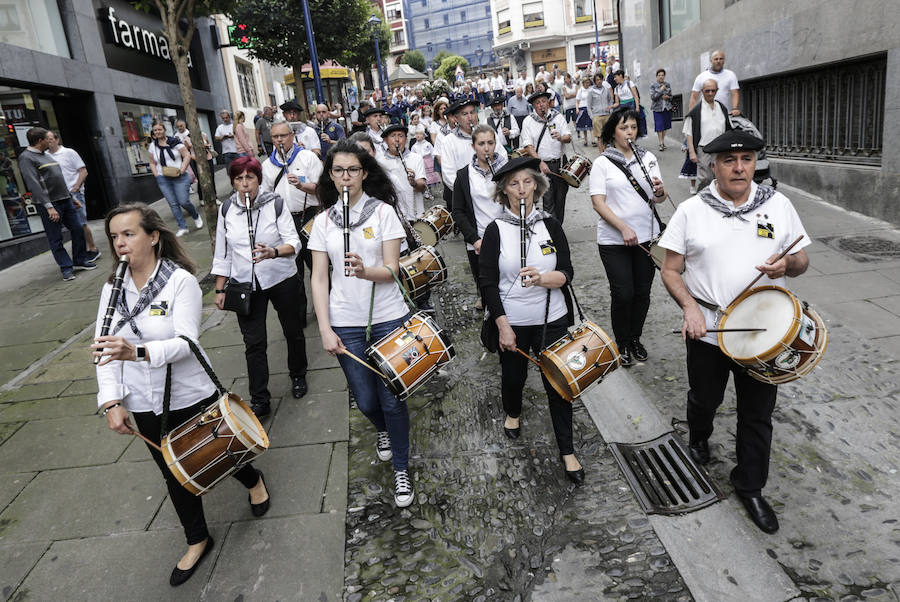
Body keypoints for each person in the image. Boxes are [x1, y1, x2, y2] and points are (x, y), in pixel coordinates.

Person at [92, 203, 270, 587]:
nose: (120, 243)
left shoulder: (179, 281)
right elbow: (104, 349)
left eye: (128, 234)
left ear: (153, 236)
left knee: (219, 453)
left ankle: (253, 480)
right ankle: (197, 538)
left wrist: (137, 352)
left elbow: (187, 341)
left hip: (190, 393)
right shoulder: (112, 288)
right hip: (143, 401)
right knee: (173, 471)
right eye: (114, 237)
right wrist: (111, 401)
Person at [657, 130, 810, 534]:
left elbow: (802, 260)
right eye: (729, 160)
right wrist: (689, 308)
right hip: (707, 328)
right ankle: (699, 435)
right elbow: (670, 270)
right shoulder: (692, 210)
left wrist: (787, 267)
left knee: (757, 415)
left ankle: (751, 486)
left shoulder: (778, 205)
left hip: (763, 332)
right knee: (705, 397)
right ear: (713, 166)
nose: (740, 167)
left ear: (756, 163)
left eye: (746, 159)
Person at [308, 140, 416, 508]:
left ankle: (401, 466)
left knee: (392, 397)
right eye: (338, 170)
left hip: (388, 317)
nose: (345, 177)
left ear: (364, 173)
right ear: (330, 175)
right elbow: (319, 278)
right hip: (346, 323)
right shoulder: (322, 222)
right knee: (367, 399)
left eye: (352, 170)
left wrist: (366, 271)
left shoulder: (383, 213)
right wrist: (325, 328)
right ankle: (384, 432)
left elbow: (393, 270)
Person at [479, 156, 584, 484]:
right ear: (504, 191)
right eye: (514, 184)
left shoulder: (550, 225)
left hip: (551, 317)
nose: (522, 189)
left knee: (559, 384)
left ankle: (567, 450)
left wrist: (544, 279)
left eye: (527, 182)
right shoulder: (495, 230)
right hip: (513, 321)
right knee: (514, 379)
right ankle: (513, 411)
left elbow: (567, 272)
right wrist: (502, 325)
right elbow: (487, 283)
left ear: (537, 187)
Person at [212, 156, 309, 417]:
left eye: (250, 178)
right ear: (233, 182)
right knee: (254, 342)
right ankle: (259, 398)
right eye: (239, 179)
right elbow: (223, 253)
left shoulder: (274, 204)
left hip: (281, 277)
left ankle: (298, 375)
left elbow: (294, 242)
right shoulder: (226, 210)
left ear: (258, 179)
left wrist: (274, 252)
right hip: (246, 283)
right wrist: (220, 289)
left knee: (292, 330)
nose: (245, 184)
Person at [589, 108, 667, 366]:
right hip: (614, 241)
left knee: (642, 292)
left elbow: (658, 198)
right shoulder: (603, 162)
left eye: (633, 127)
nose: (629, 132)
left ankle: (635, 337)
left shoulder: (649, 158)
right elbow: (598, 203)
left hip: (647, 237)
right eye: (624, 128)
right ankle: (621, 342)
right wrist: (622, 227)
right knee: (623, 293)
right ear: (613, 132)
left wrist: (660, 191)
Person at [19, 127, 96, 280]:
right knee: (55, 238)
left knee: (78, 228)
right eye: (47, 139)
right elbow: (34, 185)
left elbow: (58, 179)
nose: (50, 141)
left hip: (65, 200)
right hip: (50, 204)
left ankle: (79, 260)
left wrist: (71, 198)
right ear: (40, 141)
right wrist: (49, 207)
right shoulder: (26, 158)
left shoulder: (46, 155)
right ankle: (66, 268)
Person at [261, 121, 322, 293]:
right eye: (275, 136)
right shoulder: (267, 165)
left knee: (317, 266)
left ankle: (325, 308)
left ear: (292, 136)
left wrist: (302, 186)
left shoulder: (307, 157)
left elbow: (322, 189)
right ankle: (300, 314)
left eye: (283, 135)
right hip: (283, 222)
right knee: (294, 271)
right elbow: (265, 197)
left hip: (309, 217)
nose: (280, 140)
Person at [452, 124, 507, 306]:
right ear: (474, 146)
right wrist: (474, 239)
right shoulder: (463, 175)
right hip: (479, 240)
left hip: (506, 238)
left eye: (490, 143)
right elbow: (458, 211)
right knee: (486, 287)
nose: (486, 148)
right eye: (481, 143)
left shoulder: (507, 170)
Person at [440, 98, 510, 212]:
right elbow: (449, 174)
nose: (470, 117)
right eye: (465, 114)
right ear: (456, 118)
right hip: (468, 198)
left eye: (472, 112)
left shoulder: (488, 133)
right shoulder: (449, 141)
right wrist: (469, 193)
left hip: (494, 192)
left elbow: (502, 157)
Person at [46, 131, 101, 261]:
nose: (48, 141)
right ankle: (82, 252)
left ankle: (92, 249)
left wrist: (75, 188)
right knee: (74, 225)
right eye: (46, 139)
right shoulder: (45, 156)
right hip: (58, 195)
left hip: (73, 193)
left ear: (57, 140)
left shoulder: (69, 153)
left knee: (81, 223)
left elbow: (83, 171)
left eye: (50, 139)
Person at [520, 90, 571, 224]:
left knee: (560, 198)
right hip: (542, 164)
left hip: (560, 163)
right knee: (548, 200)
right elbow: (528, 145)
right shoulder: (528, 121)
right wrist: (540, 162)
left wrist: (561, 137)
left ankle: (557, 227)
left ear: (548, 102)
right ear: (533, 106)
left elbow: (568, 137)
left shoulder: (558, 117)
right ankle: (551, 231)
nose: (541, 105)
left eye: (544, 101)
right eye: (538, 103)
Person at [147, 122, 203, 238]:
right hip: (163, 178)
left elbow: (187, 155)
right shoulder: (153, 146)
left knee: (184, 201)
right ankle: (182, 227)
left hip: (179, 176)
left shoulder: (175, 142)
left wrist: (183, 169)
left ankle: (196, 216)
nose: (157, 132)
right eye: (155, 130)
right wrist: (157, 175)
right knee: (173, 204)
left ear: (164, 130)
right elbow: (152, 162)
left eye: (159, 130)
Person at [684, 79, 733, 191]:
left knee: (721, 176)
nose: (710, 93)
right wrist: (692, 152)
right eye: (707, 91)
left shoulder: (722, 108)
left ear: (717, 90)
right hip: (704, 149)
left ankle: (719, 200)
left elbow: (728, 128)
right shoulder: (696, 111)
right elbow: (689, 132)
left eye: (713, 90)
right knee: (706, 178)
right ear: (702, 91)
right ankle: (703, 201)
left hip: (721, 149)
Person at [377, 123, 427, 221]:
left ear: (406, 139)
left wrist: (414, 182)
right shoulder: (379, 162)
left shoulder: (416, 158)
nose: (397, 140)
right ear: (386, 140)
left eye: (401, 136)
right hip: (393, 216)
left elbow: (421, 187)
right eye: (392, 136)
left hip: (415, 213)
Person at [689, 50, 741, 115]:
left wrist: (734, 108)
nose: (718, 61)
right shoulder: (701, 77)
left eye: (721, 59)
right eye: (716, 59)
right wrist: (690, 114)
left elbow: (735, 93)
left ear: (724, 60)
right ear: (711, 61)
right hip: (705, 114)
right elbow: (694, 96)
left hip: (723, 114)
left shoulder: (730, 75)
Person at [587, 73, 614, 148]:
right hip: (597, 116)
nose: (599, 81)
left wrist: (610, 110)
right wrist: (592, 117)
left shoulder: (606, 89)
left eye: (600, 79)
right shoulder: (591, 91)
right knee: (599, 137)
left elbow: (610, 100)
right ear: (595, 81)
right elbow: (588, 106)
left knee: (607, 136)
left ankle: (607, 153)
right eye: (597, 80)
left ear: (602, 80)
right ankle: (602, 154)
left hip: (606, 115)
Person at [649, 68, 673, 151]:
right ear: (656, 76)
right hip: (657, 108)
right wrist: (661, 90)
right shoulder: (653, 85)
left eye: (662, 75)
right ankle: (661, 143)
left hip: (667, 108)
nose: (661, 77)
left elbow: (671, 96)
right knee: (659, 126)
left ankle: (663, 141)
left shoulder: (668, 84)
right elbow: (653, 97)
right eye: (659, 75)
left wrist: (668, 97)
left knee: (665, 126)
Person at [574, 77, 594, 146]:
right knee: (583, 126)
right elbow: (577, 101)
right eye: (586, 83)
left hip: (589, 108)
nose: (588, 84)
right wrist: (577, 109)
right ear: (583, 83)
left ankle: (593, 140)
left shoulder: (591, 89)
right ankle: (585, 140)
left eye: (588, 82)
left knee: (591, 124)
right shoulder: (580, 90)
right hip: (582, 108)